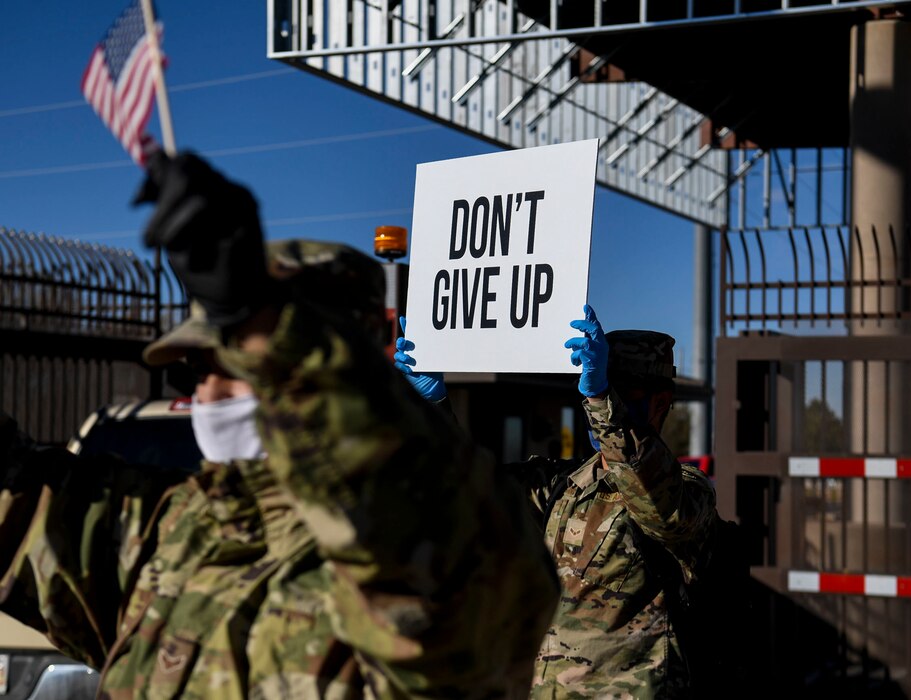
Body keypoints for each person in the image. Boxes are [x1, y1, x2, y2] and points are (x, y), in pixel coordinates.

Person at [0, 152, 559, 698]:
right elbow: (17, 501)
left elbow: (428, 560)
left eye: (241, 366)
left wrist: (271, 331)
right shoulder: (174, 530)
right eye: (199, 371)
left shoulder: (444, 548)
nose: (209, 394)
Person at [395, 305, 723, 698]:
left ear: (659, 403)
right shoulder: (560, 484)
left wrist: (603, 399)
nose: (596, 406)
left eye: (619, 393)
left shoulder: (687, 489)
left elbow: (658, 506)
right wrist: (430, 410)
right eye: (594, 391)